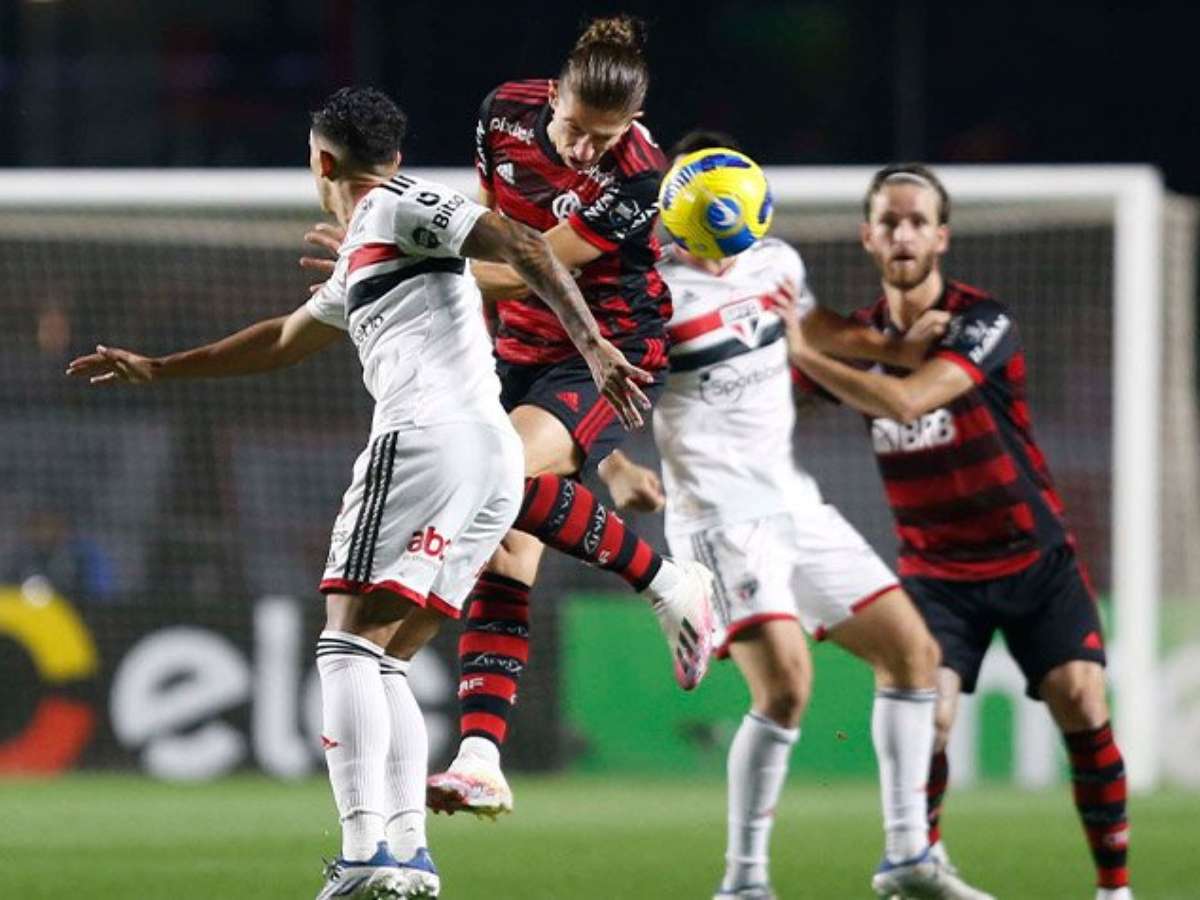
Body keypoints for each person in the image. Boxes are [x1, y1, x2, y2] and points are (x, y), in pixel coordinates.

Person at [67, 86, 652, 900]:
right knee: (384, 658)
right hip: (488, 459)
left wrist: (591, 347)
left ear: (321, 162)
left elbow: (521, 241)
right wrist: (161, 369)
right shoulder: (370, 246)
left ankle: (362, 852)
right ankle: (409, 858)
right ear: (394, 153)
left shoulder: (395, 204)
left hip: (427, 439)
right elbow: (282, 337)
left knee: (343, 645)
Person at [301, 14, 715, 820]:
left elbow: (529, 266)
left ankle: (669, 582)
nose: (587, 150)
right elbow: (488, 228)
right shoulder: (502, 113)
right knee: (501, 541)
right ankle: (481, 758)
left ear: (634, 125)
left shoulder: (639, 177)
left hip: (606, 352)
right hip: (514, 350)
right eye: (577, 129)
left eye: (607, 137)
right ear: (552, 96)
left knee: (497, 476)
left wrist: (380, 258)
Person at [599, 131, 993, 900]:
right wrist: (616, 470)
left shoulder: (776, 260)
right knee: (785, 688)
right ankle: (744, 882)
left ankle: (909, 858)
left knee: (914, 656)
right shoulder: (651, 293)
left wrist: (894, 349)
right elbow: (597, 392)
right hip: (718, 519)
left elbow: (811, 331)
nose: (726, 246)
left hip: (794, 503)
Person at [787, 163, 1132, 900]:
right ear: (868, 237)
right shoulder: (856, 340)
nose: (903, 234)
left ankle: (1114, 889)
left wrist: (805, 349)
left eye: (917, 221)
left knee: (1081, 698)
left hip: (1033, 558)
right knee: (931, 716)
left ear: (941, 237)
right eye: (889, 221)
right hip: (937, 573)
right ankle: (923, 865)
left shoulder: (984, 321)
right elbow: (772, 397)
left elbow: (910, 400)